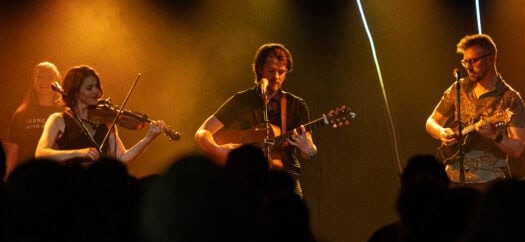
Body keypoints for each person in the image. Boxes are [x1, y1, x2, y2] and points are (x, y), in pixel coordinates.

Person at [194, 42, 317, 197]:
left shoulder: (296, 105)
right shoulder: (242, 101)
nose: (276, 77)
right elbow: (202, 132)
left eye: (281, 72)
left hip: (285, 181)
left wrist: (309, 150)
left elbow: (308, 149)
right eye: (271, 71)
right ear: (259, 69)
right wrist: (219, 151)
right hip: (248, 181)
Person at [426, 33, 525, 187]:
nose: (468, 67)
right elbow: (431, 122)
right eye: (465, 62)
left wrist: (495, 135)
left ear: (490, 59)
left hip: (489, 182)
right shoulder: (458, 88)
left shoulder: (511, 100)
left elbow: (517, 149)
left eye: (474, 61)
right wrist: (441, 133)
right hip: (453, 179)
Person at [36, 65, 167, 166]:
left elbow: (122, 159)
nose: (96, 91)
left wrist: (148, 138)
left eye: (97, 86)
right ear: (75, 91)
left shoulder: (106, 121)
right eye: (89, 88)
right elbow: (41, 153)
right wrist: (78, 152)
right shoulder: (58, 119)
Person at [4, 61, 64, 178]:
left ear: (57, 81)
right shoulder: (21, 113)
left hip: (57, 176)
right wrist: (6, 178)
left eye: (49, 77)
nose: (44, 81)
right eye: (39, 77)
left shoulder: (65, 113)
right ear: (33, 81)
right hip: (27, 176)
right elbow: (12, 150)